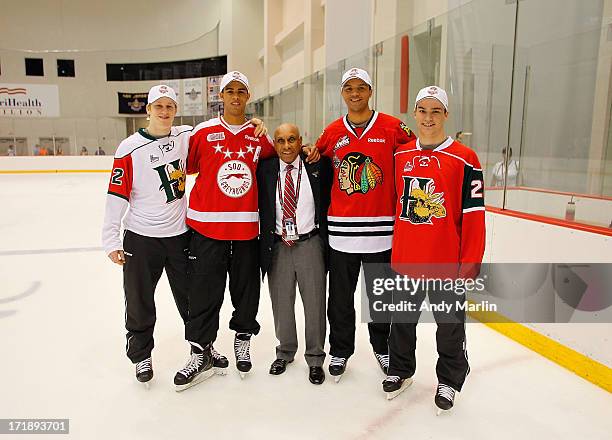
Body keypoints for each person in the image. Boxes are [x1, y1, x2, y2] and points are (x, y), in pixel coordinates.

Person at [177, 70, 318, 387]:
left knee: (246, 294)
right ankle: (200, 352)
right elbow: (186, 168)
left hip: (246, 233)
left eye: (242, 91)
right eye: (230, 92)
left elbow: (285, 154)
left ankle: (243, 342)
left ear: (248, 96)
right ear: (221, 97)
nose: (236, 97)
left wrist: (308, 149)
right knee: (203, 295)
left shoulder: (260, 138)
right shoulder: (203, 132)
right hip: (206, 231)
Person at [385, 85, 485, 413]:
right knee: (401, 321)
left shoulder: (465, 158)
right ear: (414, 114)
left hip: (446, 263)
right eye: (423, 111)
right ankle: (400, 370)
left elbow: (473, 217)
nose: (428, 118)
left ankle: (450, 379)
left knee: (450, 326)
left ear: (446, 115)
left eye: (435, 111)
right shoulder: (401, 155)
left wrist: (469, 263)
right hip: (406, 258)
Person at [315, 67, 416, 381]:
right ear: (342, 94)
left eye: (361, 88)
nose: (355, 94)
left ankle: (382, 346)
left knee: (380, 297)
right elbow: (315, 158)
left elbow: (416, 154)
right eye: (349, 89)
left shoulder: (392, 128)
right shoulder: (333, 132)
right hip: (342, 234)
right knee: (340, 300)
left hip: (382, 233)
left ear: (370, 91)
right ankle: (340, 350)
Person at [101, 85, 195, 388]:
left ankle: (201, 346)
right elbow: (116, 195)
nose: (165, 112)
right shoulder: (129, 148)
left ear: (175, 110)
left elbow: (217, 131)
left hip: (179, 235)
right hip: (141, 238)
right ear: (148, 110)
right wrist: (111, 239)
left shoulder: (184, 136)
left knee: (192, 297)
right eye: (159, 106)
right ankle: (141, 353)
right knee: (140, 300)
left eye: (170, 106)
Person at [257, 123, 332, 385]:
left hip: (309, 243)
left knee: (314, 303)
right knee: (281, 303)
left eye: (292, 140)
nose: (286, 146)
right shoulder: (265, 169)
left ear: (301, 141)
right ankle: (285, 351)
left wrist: (316, 153)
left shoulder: (317, 166)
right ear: (274, 144)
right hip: (277, 245)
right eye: (280, 141)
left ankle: (315, 357)